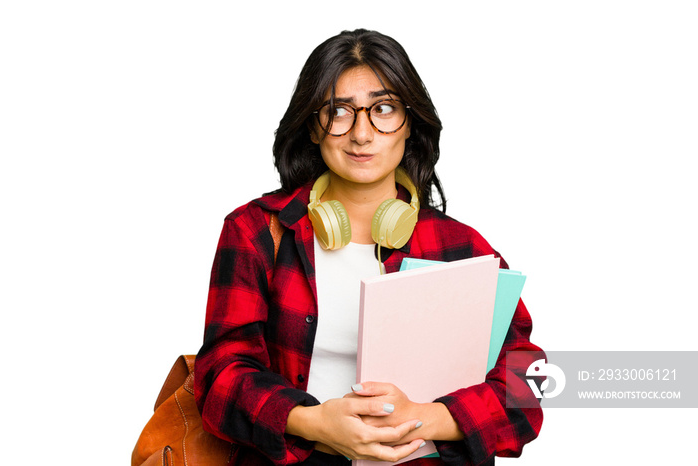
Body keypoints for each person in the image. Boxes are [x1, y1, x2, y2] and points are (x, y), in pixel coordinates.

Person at [195, 29, 543, 465]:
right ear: (312, 125)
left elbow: (526, 386)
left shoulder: (463, 248)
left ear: (410, 122)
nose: (362, 134)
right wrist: (315, 422)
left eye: (383, 109)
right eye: (339, 111)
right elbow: (220, 377)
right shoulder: (256, 232)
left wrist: (427, 417)